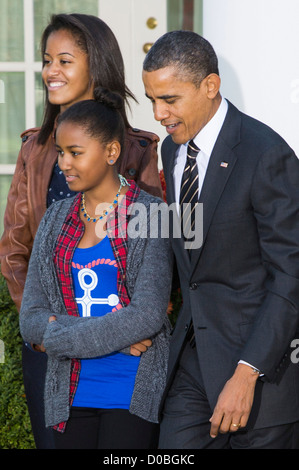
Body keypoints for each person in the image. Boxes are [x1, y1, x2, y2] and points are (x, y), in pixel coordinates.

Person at [0, 13, 162, 448]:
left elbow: (157, 254)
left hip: (124, 352)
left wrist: (129, 329)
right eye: (47, 60)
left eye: (65, 60)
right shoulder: (35, 149)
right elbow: (15, 249)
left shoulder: (137, 149)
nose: (51, 71)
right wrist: (43, 328)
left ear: (98, 64)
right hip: (51, 350)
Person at [142, 30, 299, 449]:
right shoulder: (173, 151)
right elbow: (189, 257)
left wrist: (248, 372)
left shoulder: (266, 154)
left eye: (169, 100)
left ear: (210, 86)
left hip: (263, 372)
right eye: (152, 99)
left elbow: (290, 276)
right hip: (193, 363)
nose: (158, 114)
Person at [19, 90, 172, 449]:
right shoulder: (56, 218)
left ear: (111, 152)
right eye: (60, 152)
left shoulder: (150, 215)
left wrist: (56, 337)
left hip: (130, 393)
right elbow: (31, 318)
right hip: (69, 394)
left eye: (75, 153)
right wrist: (116, 340)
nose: (63, 164)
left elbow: (148, 315)